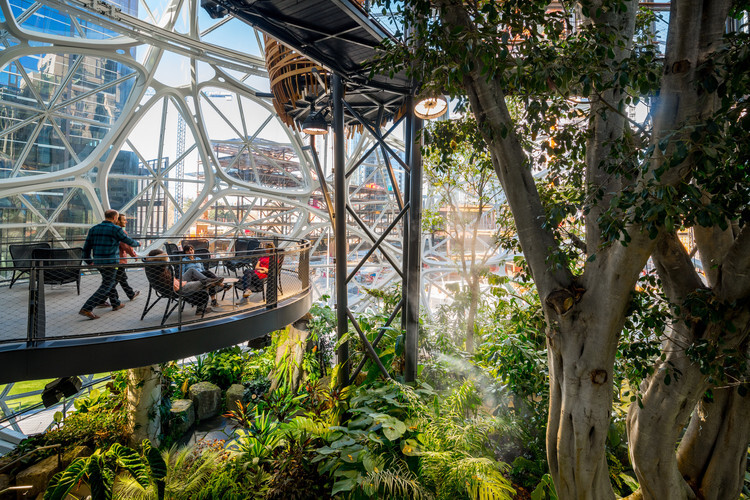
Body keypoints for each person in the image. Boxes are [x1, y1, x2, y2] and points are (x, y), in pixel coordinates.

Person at [79, 209, 140, 320]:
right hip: (111, 262)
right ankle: (87, 308)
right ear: (115, 218)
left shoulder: (94, 229)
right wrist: (138, 243)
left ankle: (116, 303)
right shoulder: (116, 229)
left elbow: (86, 248)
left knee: (109, 282)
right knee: (107, 285)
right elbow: (128, 241)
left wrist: (89, 261)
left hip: (98, 261)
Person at [145, 249, 212, 315]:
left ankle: (213, 282)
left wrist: (148, 257)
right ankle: (201, 309)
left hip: (174, 285)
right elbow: (176, 287)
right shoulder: (160, 267)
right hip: (177, 289)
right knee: (204, 283)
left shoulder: (152, 265)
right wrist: (183, 283)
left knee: (192, 271)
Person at [97, 213, 139, 307]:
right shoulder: (119, 231)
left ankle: (131, 294)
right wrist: (133, 254)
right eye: (124, 220)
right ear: (117, 220)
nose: (126, 221)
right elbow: (126, 245)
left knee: (121, 279)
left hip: (112, 260)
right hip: (118, 260)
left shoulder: (109, 230)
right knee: (112, 282)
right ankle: (102, 300)